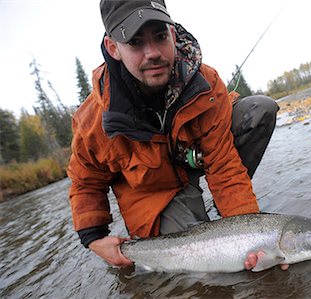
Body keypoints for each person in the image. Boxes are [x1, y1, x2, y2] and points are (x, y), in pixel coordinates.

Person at [67, 0, 281, 271]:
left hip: (195, 155)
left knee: (258, 110)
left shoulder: (205, 83)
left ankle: (224, 216)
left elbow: (224, 165)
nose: (153, 53)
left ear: (172, 32)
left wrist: (250, 237)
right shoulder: (93, 120)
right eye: (135, 42)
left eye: (159, 36)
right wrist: (94, 238)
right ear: (113, 48)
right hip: (153, 191)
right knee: (193, 271)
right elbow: (85, 182)